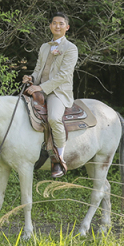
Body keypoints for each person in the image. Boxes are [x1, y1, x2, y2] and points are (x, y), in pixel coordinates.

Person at [22, 12, 78, 178]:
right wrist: (31, 78)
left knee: (54, 118)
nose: (57, 26)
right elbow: (39, 69)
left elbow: (63, 76)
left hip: (58, 91)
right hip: (40, 87)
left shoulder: (71, 48)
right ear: (50, 26)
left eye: (61, 23)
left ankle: (59, 159)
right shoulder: (44, 47)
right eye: (54, 23)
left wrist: (40, 88)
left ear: (66, 27)